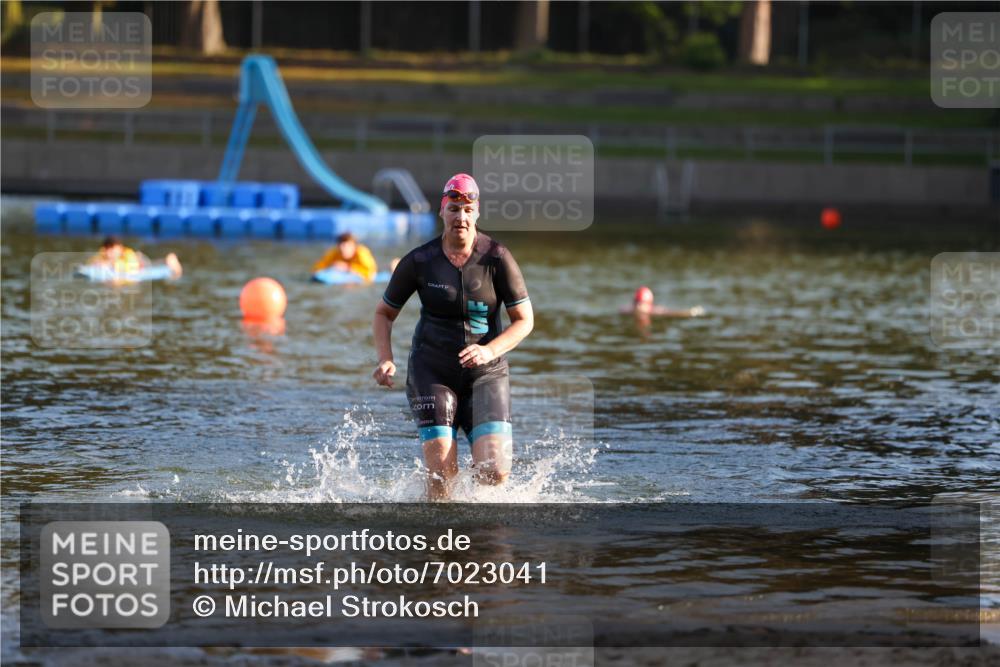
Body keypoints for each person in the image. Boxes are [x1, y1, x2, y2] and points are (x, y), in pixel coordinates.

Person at [372, 173, 534, 500]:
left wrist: (489, 351)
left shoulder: (497, 258)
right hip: (432, 370)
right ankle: (444, 542)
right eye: (453, 209)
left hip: (486, 374)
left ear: (476, 213)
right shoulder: (420, 261)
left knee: (495, 471)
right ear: (442, 212)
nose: (460, 217)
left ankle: (475, 525)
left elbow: (524, 320)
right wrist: (386, 359)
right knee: (441, 479)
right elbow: (383, 314)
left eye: (467, 210)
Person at [89, 236, 182, 279]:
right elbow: (92, 263)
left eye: (112, 248)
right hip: (130, 263)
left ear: (119, 248)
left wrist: (110, 264)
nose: (109, 252)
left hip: (140, 262)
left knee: (155, 264)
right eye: (107, 249)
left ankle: (170, 259)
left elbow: (129, 268)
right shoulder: (103, 253)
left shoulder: (128, 254)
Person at [313, 232, 378, 282]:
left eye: (347, 246)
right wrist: (331, 267)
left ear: (354, 246)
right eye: (341, 247)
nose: (344, 250)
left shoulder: (361, 253)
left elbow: (371, 274)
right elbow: (317, 269)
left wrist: (348, 267)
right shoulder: (334, 252)